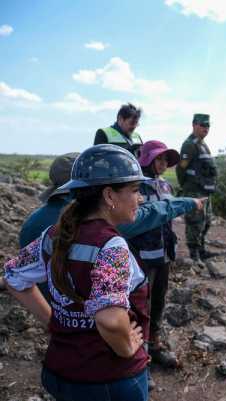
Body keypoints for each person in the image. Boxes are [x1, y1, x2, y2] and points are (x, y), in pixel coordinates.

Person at [3, 145, 204, 401]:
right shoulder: (112, 247)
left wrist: (55, 323)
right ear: (109, 196)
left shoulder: (52, 236)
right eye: (134, 191)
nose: (140, 198)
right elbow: (110, 320)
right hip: (108, 380)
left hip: (59, 371)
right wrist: (126, 348)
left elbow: (13, 277)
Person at [128, 141, 181, 368]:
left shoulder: (166, 186)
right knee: (141, 304)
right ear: (147, 159)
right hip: (142, 256)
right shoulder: (136, 187)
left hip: (163, 256)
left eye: (166, 160)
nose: (163, 164)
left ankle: (154, 344)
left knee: (158, 300)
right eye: (159, 159)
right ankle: (138, 355)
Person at [176, 113, 218, 261]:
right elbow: (181, 168)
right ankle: (194, 255)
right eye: (202, 125)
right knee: (195, 222)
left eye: (208, 125)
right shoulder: (190, 144)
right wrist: (186, 187)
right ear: (194, 124)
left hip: (205, 190)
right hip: (194, 190)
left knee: (206, 222)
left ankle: (201, 251)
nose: (206, 128)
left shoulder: (202, 144)